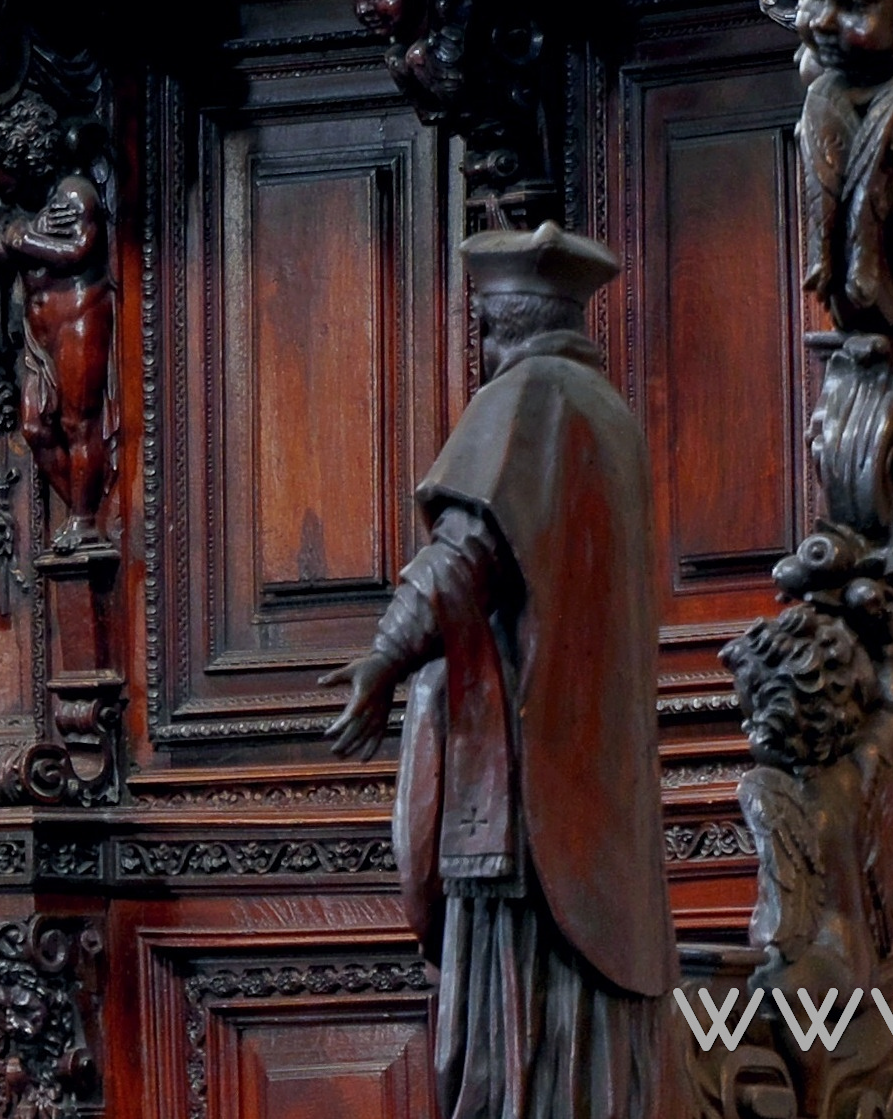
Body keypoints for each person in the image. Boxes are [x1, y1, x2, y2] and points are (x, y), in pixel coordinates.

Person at [325, 227, 674, 1119]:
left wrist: (382, 656)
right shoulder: (609, 415)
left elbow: (461, 556)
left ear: (502, 322)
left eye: (482, 323)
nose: (480, 344)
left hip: (520, 796)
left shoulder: (527, 398)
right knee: (576, 1026)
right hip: (595, 780)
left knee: (504, 1030)